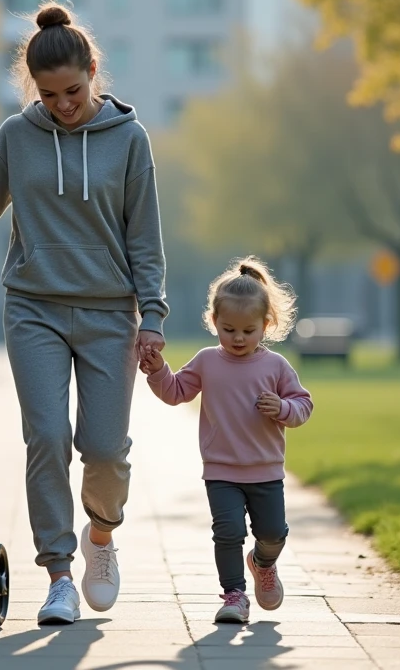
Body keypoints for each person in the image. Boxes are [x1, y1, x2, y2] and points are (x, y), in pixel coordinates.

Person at [0, 0, 167, 626]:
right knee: (47, 439)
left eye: (73, 91)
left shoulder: (129, 140)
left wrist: (151, 316)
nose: (64, 105)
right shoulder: (18, 135)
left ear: (93, 71)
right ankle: (58, 576)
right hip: (34, 308)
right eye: (49, 96)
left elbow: (145, 239)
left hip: (109, 313)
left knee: (104, 449)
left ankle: (101, 537)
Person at [139, 257, 312, 624]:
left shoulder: (276, 367)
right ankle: (234, 595)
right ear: (214, 321)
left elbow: (303, 405)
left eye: (248, 331)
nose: (237, 338)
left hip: (266, 471)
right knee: (228, 533)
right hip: (221, 471)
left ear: (266, 325)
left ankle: (263, 563)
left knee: (272, 534)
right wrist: (158, 371)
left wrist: (281, 407)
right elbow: (176, 392)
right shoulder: (207, 361)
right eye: (228, 328)